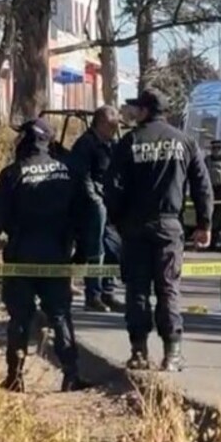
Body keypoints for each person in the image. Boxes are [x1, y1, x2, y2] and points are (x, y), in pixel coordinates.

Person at [104, 88, 213, 372]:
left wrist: (116, 220)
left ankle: (139, 352)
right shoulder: (185, 142)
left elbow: (112, 187)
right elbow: (203, 186)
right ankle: (172, 354)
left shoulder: (130, 142)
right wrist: (204, 223)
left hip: (135, 226)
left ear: (144, 111)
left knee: (137, 290)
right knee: (167, 288)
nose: (132, 113)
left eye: (135, 109)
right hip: (169, 226)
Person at [0, 117, 89, 393]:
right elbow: (84, 216)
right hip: (57, 255)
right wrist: (82, 253)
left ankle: (15, 378)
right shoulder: (66, 171)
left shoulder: (13, 173)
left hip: (21, 256)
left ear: (28, 138)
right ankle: (71, 375)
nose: (15, 141)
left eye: (19, 136)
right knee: (61, 314)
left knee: (19, 317)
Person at [67, 105, 124, 313]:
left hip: (108, 200)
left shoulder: (110, 144)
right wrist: (94, 200)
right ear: (101, 123)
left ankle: (108, 292)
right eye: (111, 126)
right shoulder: (86, 144)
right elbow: (81, 176)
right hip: (90, 205)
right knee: (95, 250)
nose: (114, 130)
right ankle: (94, 296)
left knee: (113, 248)